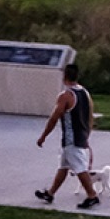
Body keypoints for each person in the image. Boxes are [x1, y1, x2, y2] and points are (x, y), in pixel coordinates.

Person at [34, 63, 101, 209]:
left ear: (64, 77)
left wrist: (43, 136)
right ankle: (50, 193)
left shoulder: (66, 96)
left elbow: (54, 118)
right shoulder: (85, 93)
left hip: (72, 140)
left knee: (80, 169)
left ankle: (92, 195)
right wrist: (87, 134)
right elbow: (89, 116)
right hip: (80, 136)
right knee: (63, 166)